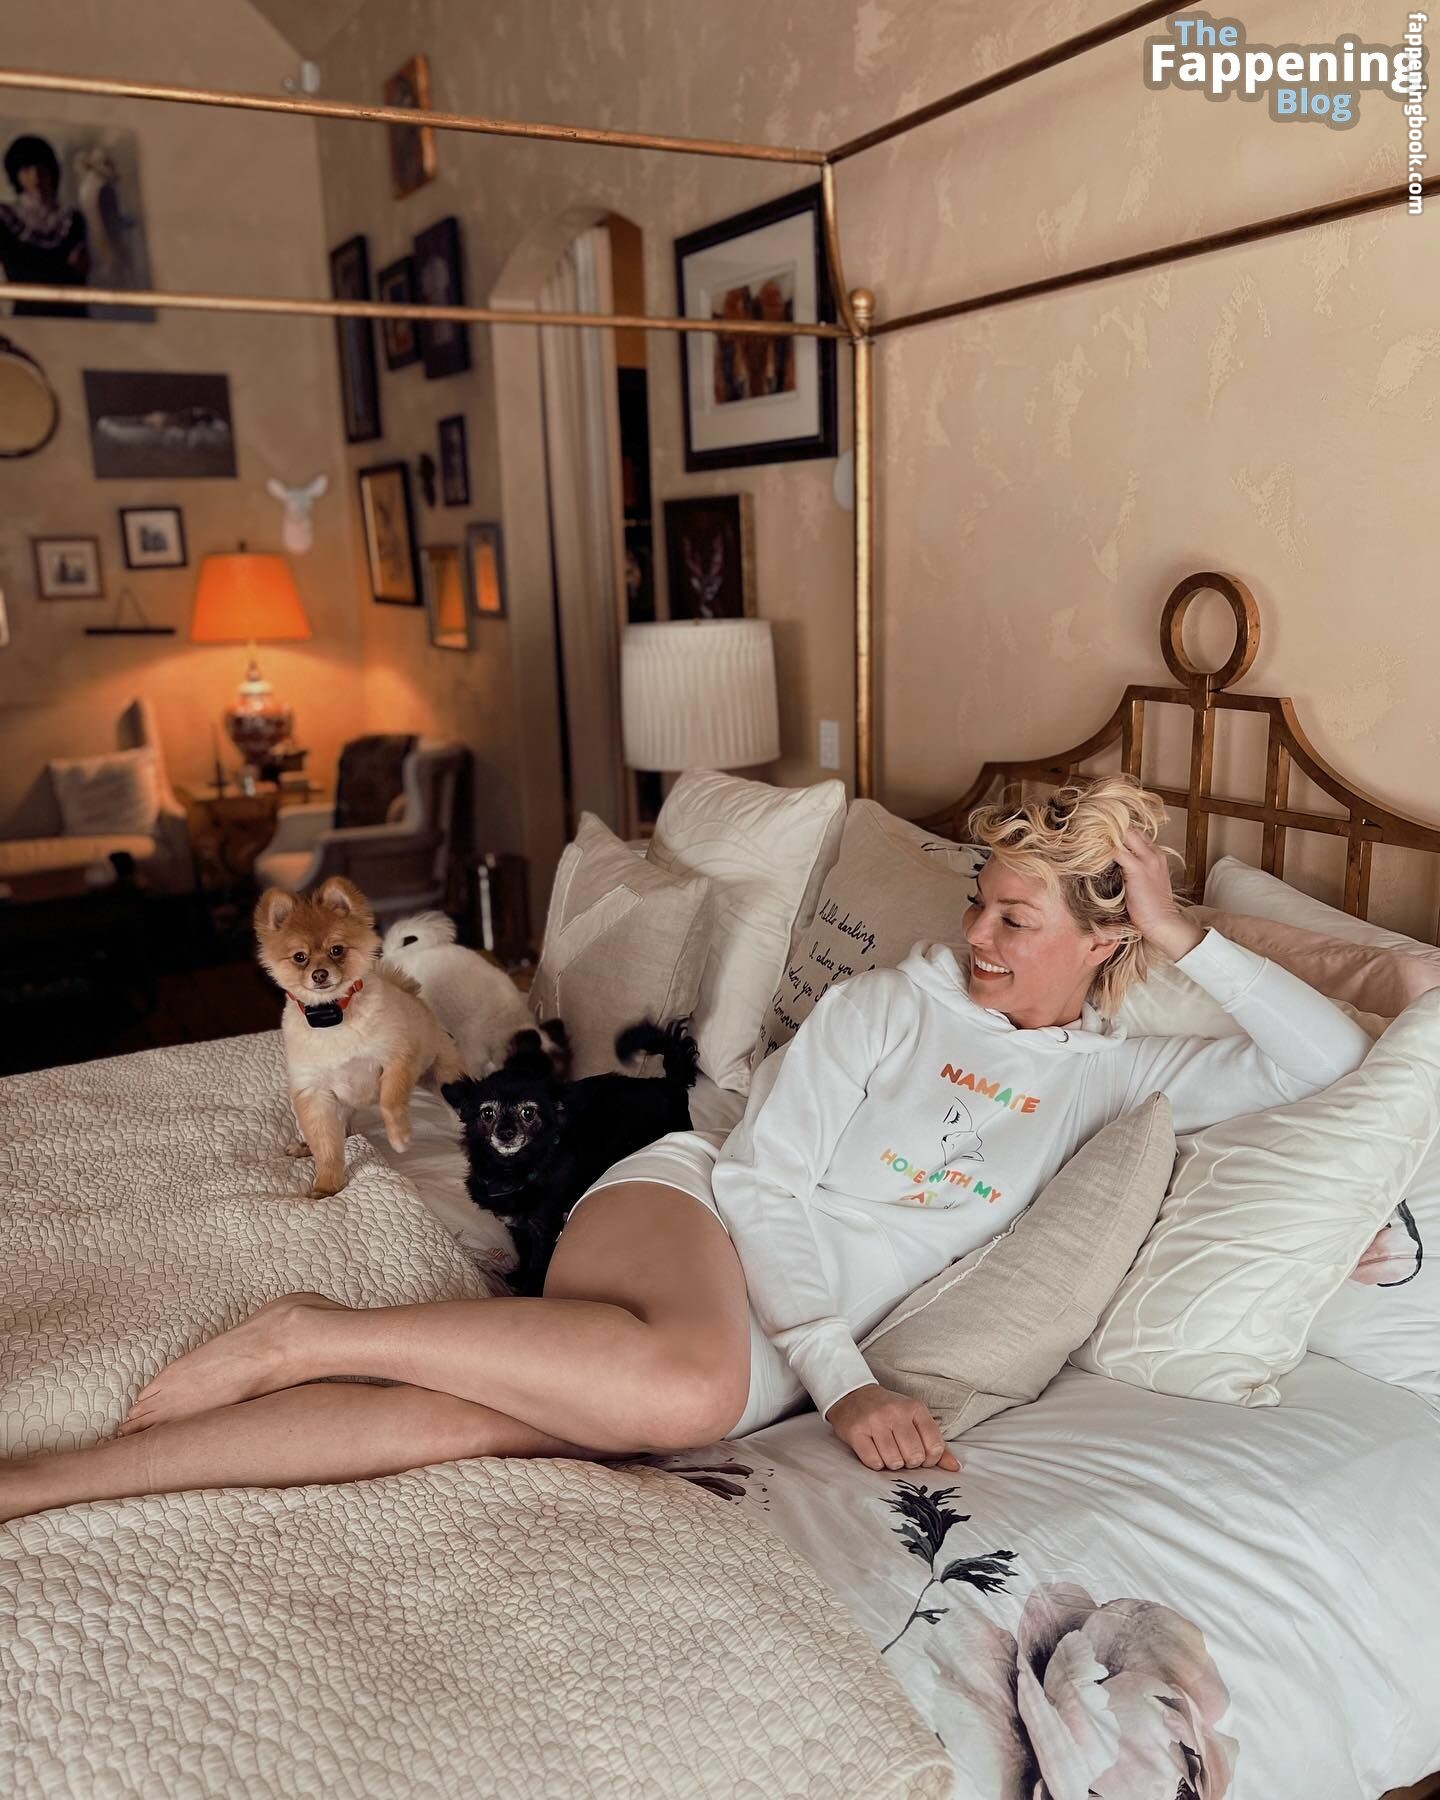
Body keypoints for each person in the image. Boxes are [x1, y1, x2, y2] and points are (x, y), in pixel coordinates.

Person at [0, 776, 1373, 1523]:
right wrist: (844, 1383)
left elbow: (1330, 1060)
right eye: (982, 902)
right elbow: (763, 1181)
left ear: (1105, 938)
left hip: (766, 1348)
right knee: (690, 1380)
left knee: (472, 1428)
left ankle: (50, 1483)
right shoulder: (885, 1005)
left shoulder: (1120, 1073)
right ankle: (308, 1329)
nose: (979, 935)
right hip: (697, 1218)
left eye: (1019, 920)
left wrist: (1183, 932)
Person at [0, 134, 89, 317]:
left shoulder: (72, 219)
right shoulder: (5, 217)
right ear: (15, 175)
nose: (36, 177)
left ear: (51, 171)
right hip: (28, 320)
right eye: (26, 170)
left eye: (41, 168)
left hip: (72, 317)